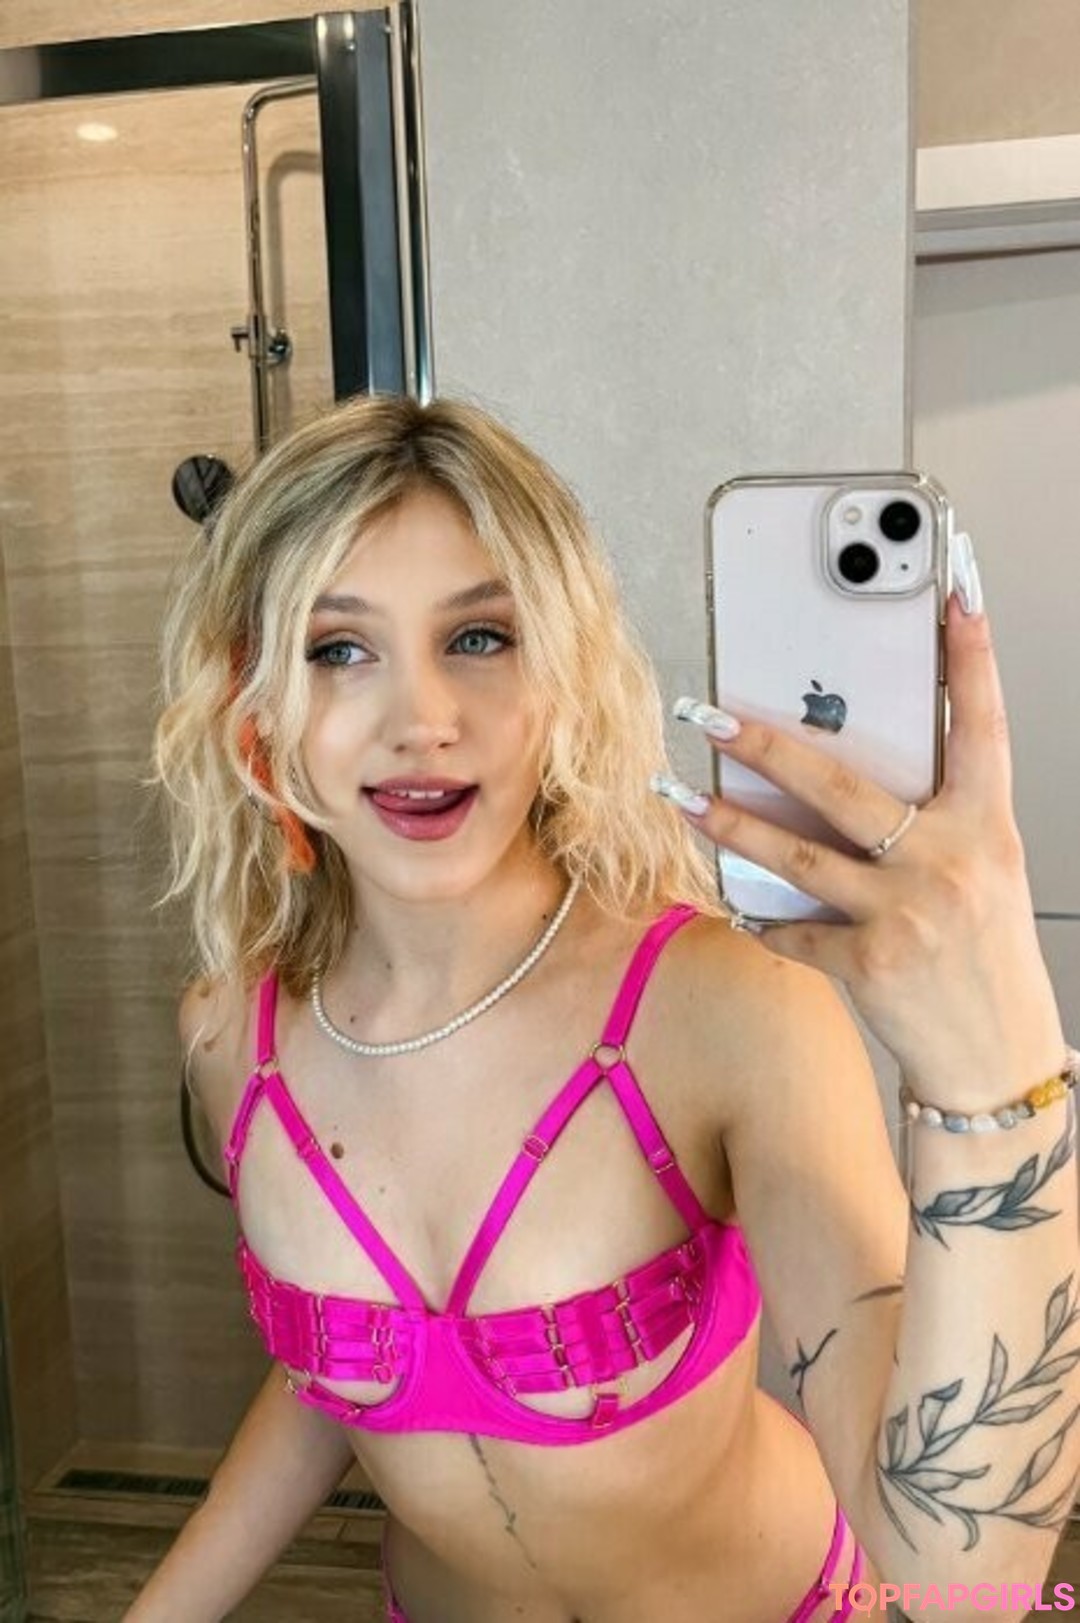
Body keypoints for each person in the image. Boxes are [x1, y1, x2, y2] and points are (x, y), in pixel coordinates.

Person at [132, 394, 1078, 1623]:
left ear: (563, 678)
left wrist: (997, 1073)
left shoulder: (726, 1015)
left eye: (480, 637)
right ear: (252, 707)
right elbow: (341, 1374)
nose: (423, 721)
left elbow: (962, 1590)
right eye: (337, 649)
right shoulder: (231, 1038)